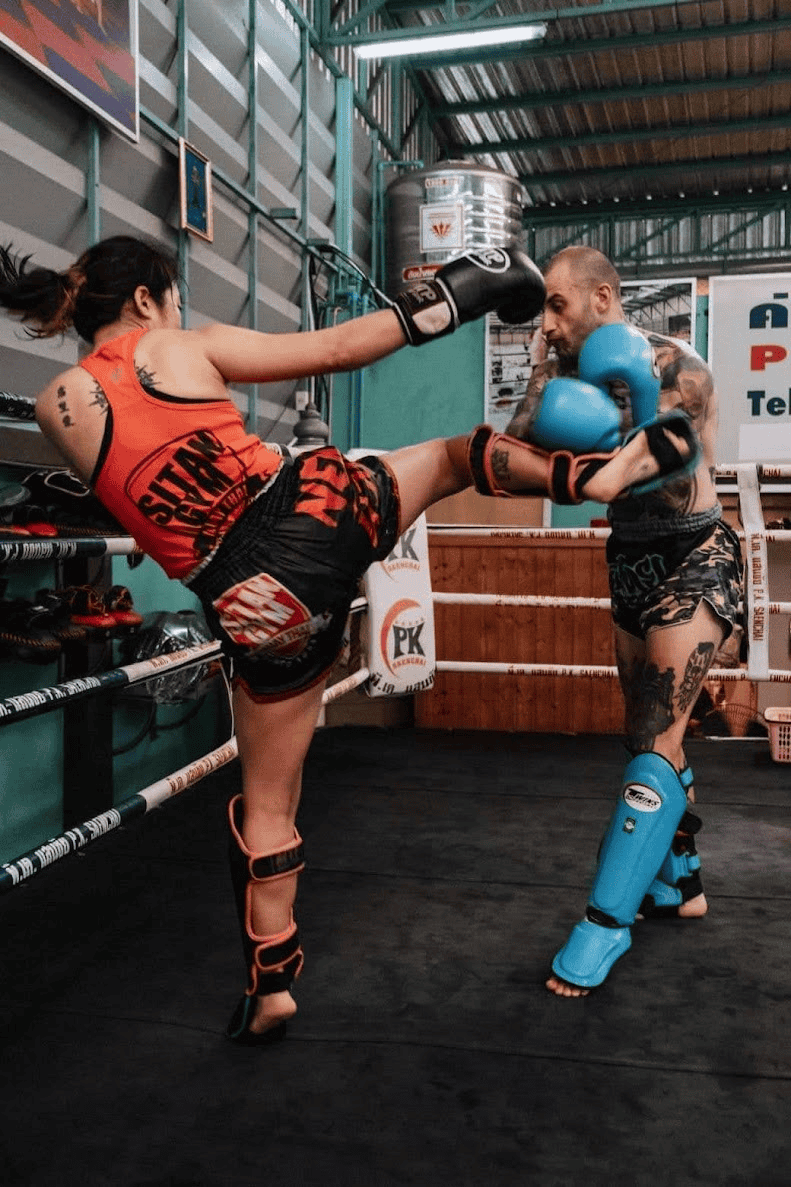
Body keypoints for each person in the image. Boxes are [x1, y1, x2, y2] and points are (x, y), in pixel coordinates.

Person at [0, 236, 697, 1041]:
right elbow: (337, 345)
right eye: (176, 294)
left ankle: (271, 985)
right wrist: (460, 294)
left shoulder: (57, 405)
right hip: (314, 515)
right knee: (451, 456)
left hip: (251, 605)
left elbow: (131, 490)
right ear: (149, 299)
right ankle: (591, 479)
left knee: (266, 801)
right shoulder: (174, 344)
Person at [507, 245, 743, 997]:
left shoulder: (680, 367)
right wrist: (540, 364)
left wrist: (600, 468)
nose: (547, 319)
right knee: (642, 735)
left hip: (695, 553)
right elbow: (517, 444)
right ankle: (681, 884)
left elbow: (654, 459)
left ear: (602, 297)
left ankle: (604, 925)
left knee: (655, 738)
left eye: (555, 305)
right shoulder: (567, 372)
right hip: (628, 561)